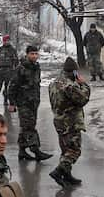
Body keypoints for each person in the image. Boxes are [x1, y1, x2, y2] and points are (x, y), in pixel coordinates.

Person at [47, 57, 91, 188]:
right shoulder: (69, 85)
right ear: (74, 72)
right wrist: (84, 84)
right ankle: (58, 171)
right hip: (70, 122)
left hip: (59, 120)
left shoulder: (55, 82)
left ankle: (67, 175)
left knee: (65, 149)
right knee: (74, 150)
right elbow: (83, 99)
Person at [5, 45, 53, 163]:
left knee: (26, 126)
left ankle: (22, 151)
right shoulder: (21, 68)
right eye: (32, 54)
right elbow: (12, 86)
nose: (34, 56)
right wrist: (12, 103)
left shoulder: (36, 67)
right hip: (23, 102)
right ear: (27, 54)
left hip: (34, 102)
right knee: (30, 127)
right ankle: (36, 150)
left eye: (36, 54)